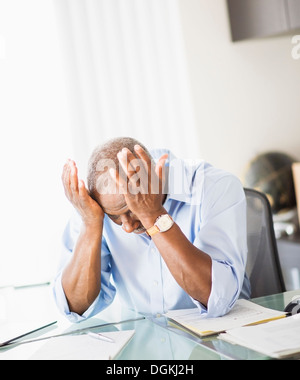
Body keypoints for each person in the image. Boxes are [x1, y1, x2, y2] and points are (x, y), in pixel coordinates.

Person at [53, 137, 250, 322]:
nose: (127, 227)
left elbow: (218, 299)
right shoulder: (95, 206)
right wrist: (90, 224)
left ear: (156, 177)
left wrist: (152, 214)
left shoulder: (215, 187)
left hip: (227, 334)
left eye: (131, 210)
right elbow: (74, 308)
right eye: (115, 216)